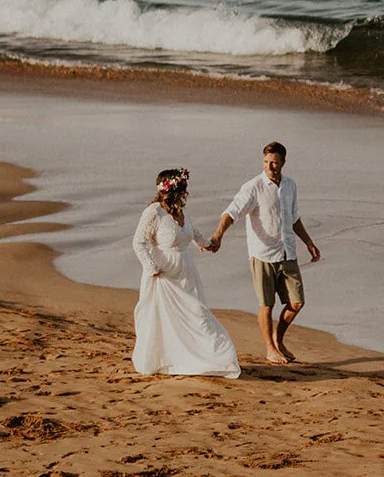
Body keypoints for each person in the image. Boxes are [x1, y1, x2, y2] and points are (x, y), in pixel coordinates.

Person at [206, 141, 321, 365]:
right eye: (267, 162)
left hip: (287, 251)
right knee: (266, 304)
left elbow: (294, 217)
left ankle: (278, 338)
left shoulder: (290, 185)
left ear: (283, 163)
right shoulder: (253, 187)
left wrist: (309, 242)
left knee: (297, 302)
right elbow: (232, 212)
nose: (270, 167)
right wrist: (218, 235)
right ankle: (270, 348)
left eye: (275, 163)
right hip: (263, 254)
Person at [130, 167, 240, 378]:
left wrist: (207, 244)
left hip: (187, 272)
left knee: (197, 315)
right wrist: (152, 268)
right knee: (165, 320)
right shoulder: (154, 212)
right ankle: (171, 360)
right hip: (164, 275)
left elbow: (190, 231)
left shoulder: (181, 211)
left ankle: (212, 358)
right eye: (182, 187)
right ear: (168, 189)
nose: (185, 192)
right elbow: (139, 242)